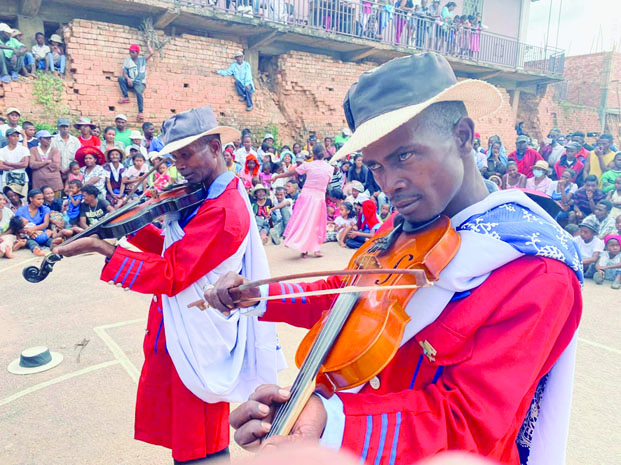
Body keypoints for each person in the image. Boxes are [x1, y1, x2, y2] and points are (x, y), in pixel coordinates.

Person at [206, 53, 583, 465]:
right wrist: (260, 295)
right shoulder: (412, 220)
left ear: (462, 136)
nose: (390, 183)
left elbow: (471, 422)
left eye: (404, 156)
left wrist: (333, 422)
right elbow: (348, 291)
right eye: (375, 166)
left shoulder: (536, 269)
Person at [54, 106, 283, 464]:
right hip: (186, 321)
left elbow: (173, 273)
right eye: (176, 157)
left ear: (215, 147)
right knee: (196, 419)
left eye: (187, 154)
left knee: (194, 423)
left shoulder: (222, 208)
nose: (181, 165)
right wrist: (118, 226)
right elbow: (173, 245)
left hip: (196, 322)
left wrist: (103, 248)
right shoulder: (206, 195)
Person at [271, 144, 334, 257]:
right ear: (324, 154)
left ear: (313, 154)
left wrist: (277, 176)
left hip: (306, 196)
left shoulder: (308, 165)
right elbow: (328, 182)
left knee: (304, 222)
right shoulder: (330, 168)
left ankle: (304, 249)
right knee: (316, 224)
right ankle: (316, 249)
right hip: (319, 197)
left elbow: (291, 173)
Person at [118, 43, 154, 121]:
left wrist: (147, 43)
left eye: (133, 52)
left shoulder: (142, 59)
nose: (131, 53)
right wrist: (128, 78)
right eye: (130, 52)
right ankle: (126, 97)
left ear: (137, 53)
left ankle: (140, 112)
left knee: (138, 92)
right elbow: (124, 73)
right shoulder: (127, 60)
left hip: (140, 83)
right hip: (131, 82)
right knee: (121, 79)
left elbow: (151, 53)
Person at [15, 188, 53, 256]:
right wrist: (28, 232)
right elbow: (17, 225)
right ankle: (36, 249)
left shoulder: (45, 209)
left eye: (42, 199)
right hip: (28, 235)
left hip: (41, 232)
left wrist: (32, 229)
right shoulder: (21, 210)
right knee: (31, 242)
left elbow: (45, 224)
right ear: (31, 199)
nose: (41, 201)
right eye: (38, 199)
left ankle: (55, 246)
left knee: (49, 241)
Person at [29, 130, 62, 195]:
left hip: (54, 182)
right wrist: (46, 162)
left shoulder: (54, 150)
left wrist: (38, 164)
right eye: (46, 138)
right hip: (38, 182)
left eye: (49, 138)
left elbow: (56, 166)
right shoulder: (33, 150)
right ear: (39, 139)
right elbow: (32, 165)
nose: (48, 140)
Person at [0, 128, 30, 196]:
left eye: (17, 136)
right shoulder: (2, 151)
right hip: (7, 179)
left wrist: (7, 163)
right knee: (8, 201)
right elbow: (1, 166)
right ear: (7, 137)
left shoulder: (23, 149)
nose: (16, 138)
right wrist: (19, 164)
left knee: (23, 200)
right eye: (13, 136)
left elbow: (25, 164)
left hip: (22, 179)